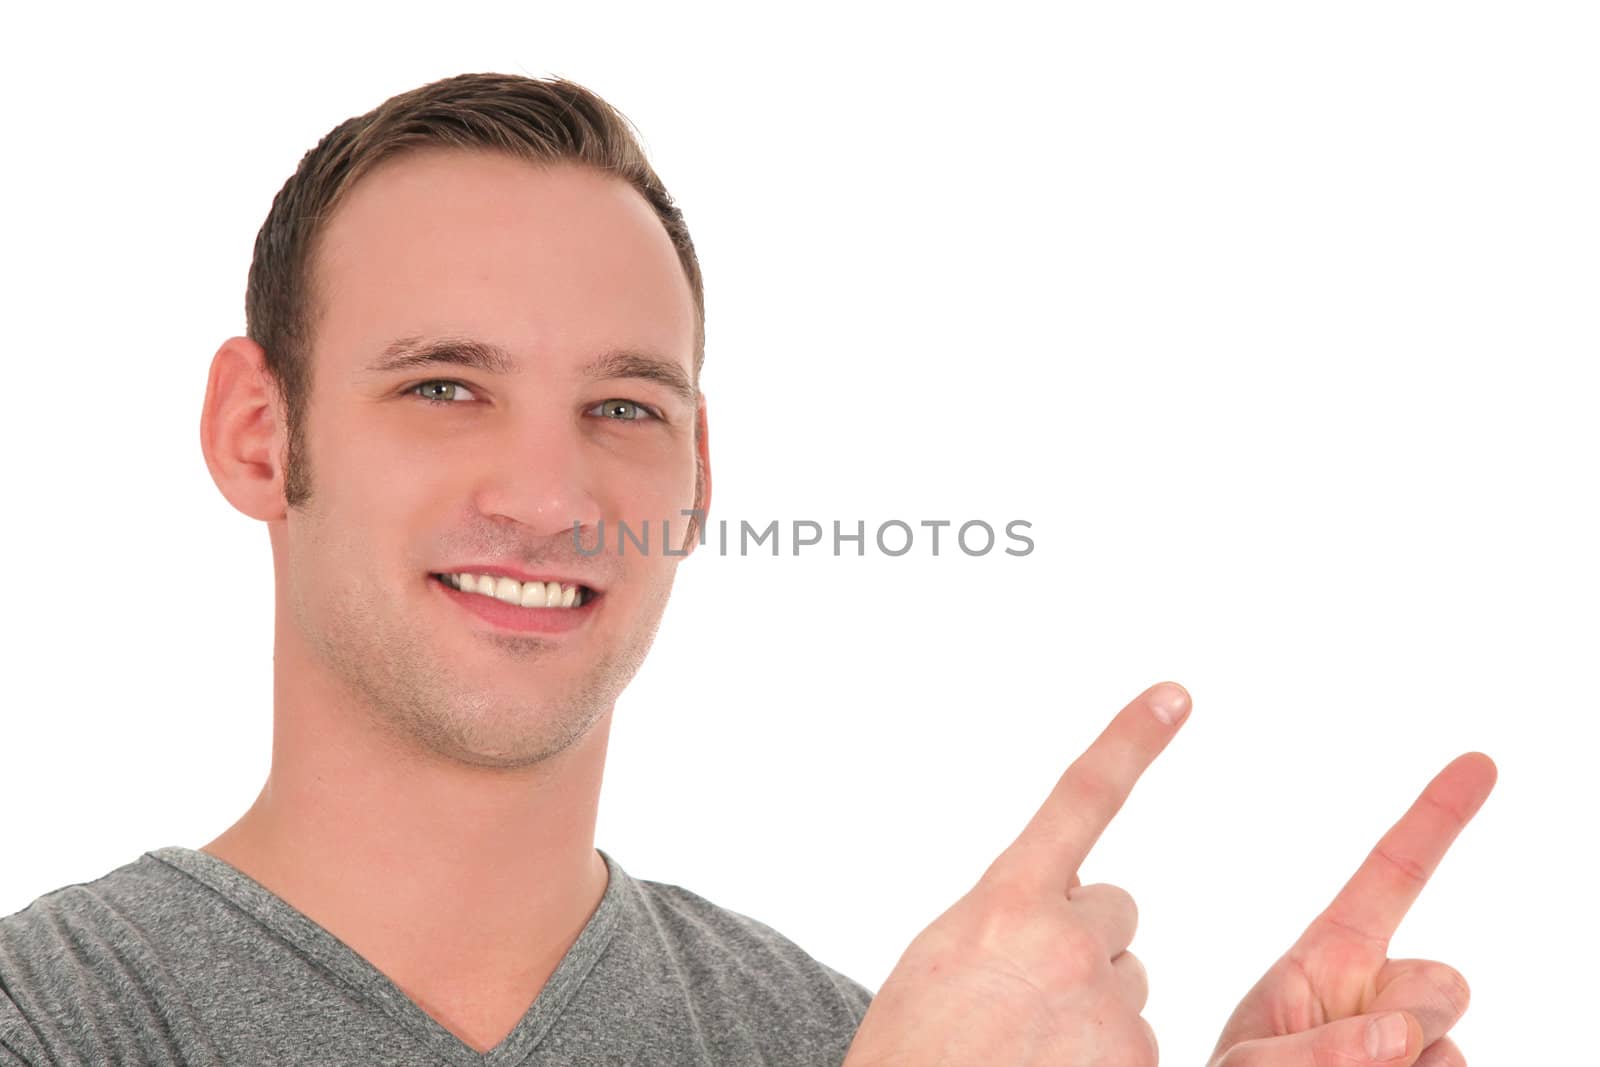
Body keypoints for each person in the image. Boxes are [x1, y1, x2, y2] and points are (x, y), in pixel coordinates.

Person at [0, 72, 1494, 1067]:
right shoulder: (55, 1019)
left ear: (699, 478)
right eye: (444, 385)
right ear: (259, 436)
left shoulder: (838, 1036)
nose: (547, 490)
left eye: (624, 408)